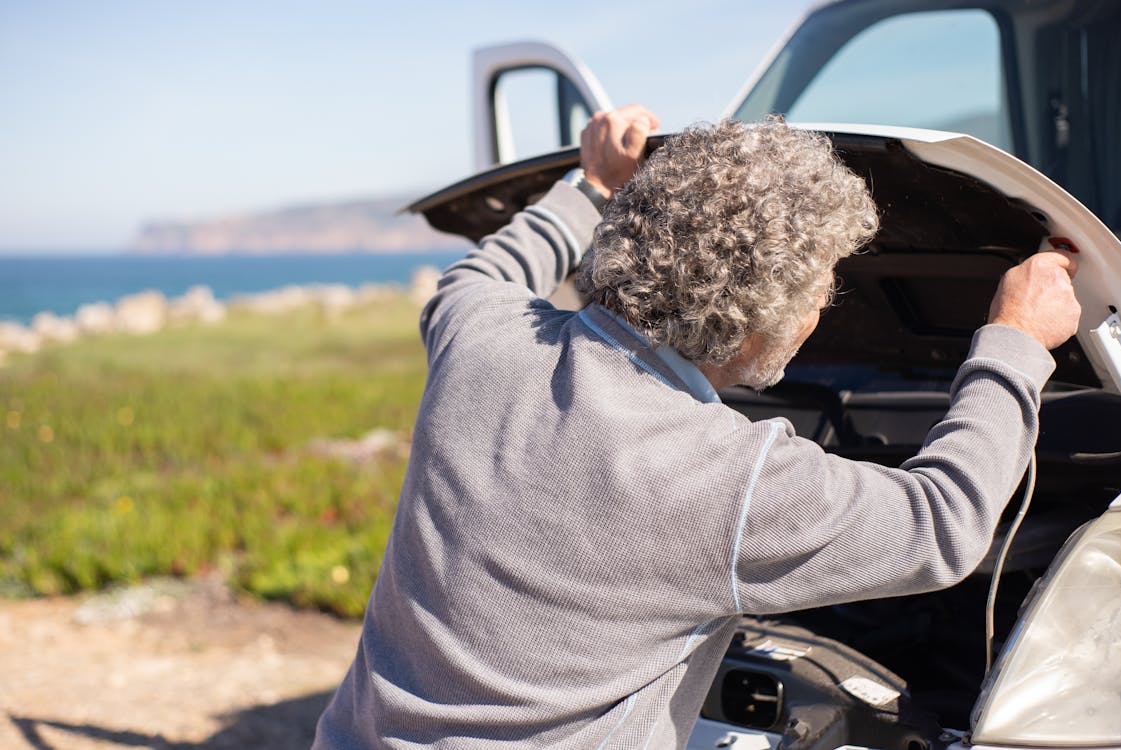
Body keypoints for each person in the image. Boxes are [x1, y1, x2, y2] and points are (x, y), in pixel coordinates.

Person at [313, 105, 1081, 749]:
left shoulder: (479, 339)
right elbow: (940, 527)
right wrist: (1014, 341)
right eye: (822, 288)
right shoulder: (725, 480)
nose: (825, 308)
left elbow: (477, 275)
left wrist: (588, 187)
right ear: (755, 327)